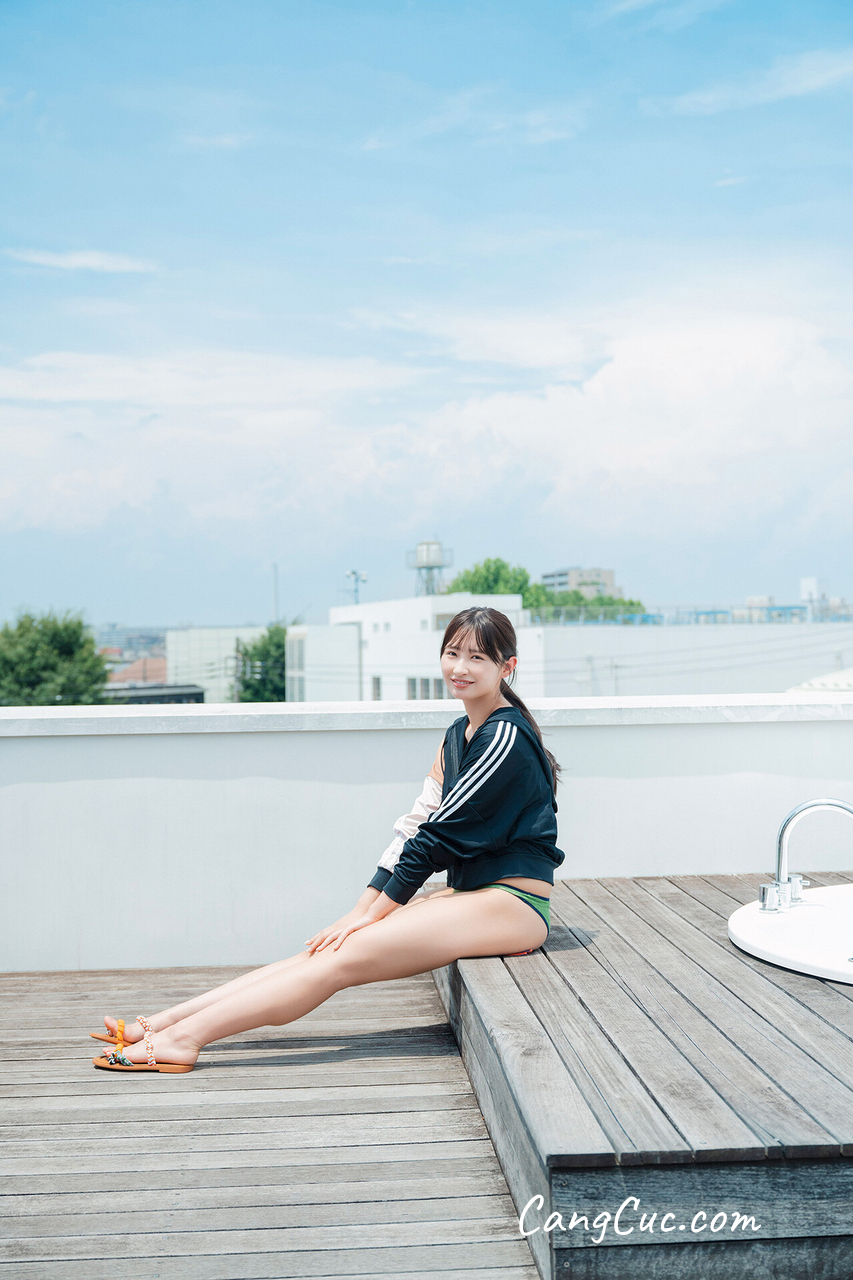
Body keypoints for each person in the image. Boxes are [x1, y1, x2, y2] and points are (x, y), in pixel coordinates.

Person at [92, 606, 564, 1073]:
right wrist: (361, 909)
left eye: (477, 658)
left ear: (507, 667)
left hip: (513, 905)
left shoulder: (503, 736)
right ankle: (164, 1024)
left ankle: (183, 1041)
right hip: (475, 896)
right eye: (452, 653)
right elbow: (414, 825)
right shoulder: (458, 735)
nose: (460, 667)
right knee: (321, 951)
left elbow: (437, 838)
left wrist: (369, 917)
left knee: (341, 957)